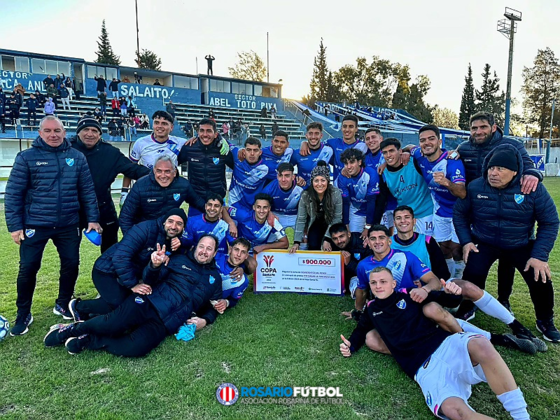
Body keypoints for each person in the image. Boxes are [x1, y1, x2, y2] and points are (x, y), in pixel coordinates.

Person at [340, 267, 531, 420]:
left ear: (393, 284)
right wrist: (350, 346)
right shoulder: (371, 310)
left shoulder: (409, 295)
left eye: (383, 281)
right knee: (455, 411)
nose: (378, 286)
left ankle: (521, 416)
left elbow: (445, 299)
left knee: (481, 344)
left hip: (444, 344)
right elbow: (359, 331)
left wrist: (454, 293)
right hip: (423, 368)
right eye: (374, 283)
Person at [44, 235, 222, 357]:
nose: (204, 251)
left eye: (209, 249)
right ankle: (69, 330)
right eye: (201, 247)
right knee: (113, 324)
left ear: (214, 253)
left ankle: (89, 340)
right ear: (195, 247)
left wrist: (205, 320)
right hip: (149, 301)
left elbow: (213, 306)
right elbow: (151, 278)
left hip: (166, 323)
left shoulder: (215, 279)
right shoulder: (178, 260)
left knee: (136, 348)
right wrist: (154, 265)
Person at [5, 116, 101, 335]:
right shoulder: (26, 157)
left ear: (64, 132)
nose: (53, 135)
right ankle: (23, 314)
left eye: (57, 130)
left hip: (68, 224)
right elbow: (13, 193)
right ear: (40, 133)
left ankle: (63, 303)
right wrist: (14, 226)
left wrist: (93, 219)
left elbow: (87, 190)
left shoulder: (76, 157)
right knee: (28, 268)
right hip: (34, 225)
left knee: (71, 264)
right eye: (48, 131)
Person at [454, 144, 560, 342]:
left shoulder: (531, 188)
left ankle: (545, 320)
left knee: (540, 277)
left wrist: (539, 256)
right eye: (491, 168)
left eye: (500, 169)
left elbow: (550, 221)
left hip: (519, 243)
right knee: (473, 272)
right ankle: (468, 308)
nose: (494, 173)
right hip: (485, 241)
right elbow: (460, 213)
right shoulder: (476, 186)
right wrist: (467, 241)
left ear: (514, 172)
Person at [454, 111, 543, 312]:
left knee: (507, 258)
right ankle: (470, 301)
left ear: (494, 127)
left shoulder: (513, 145)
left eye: (483, 127)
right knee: (472, 255)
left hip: (509, 209)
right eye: (474, 128)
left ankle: (504, 299)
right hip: (477, 207)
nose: (478, 131)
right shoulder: (464, 148)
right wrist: (409, 149)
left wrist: (532, 174)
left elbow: (529, 167)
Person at [69, 208, 187, 319]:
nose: (173, 226)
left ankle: (103, 302)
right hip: (106, 270)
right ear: (164, 222)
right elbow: (120, 258)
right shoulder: (144, 229)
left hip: (128, 273)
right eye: (170, 221)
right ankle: (78, 306)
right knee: (119, 304)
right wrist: (133, 285)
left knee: (133, 303)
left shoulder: (173, 241)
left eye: (179, 224)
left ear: (183, 228)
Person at [70, 116, 149, 252]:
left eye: (95, 130)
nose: (90, 133)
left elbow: (133, 170)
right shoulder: (65, 149)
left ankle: (108, 273)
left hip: (103, 206)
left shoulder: (110, 153)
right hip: (73, 208)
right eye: (86, 129)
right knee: (69, 255)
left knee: (110, 249)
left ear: (100, 134)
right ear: (78, 132)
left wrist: (160, 174)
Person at [408, 125, 467, 278]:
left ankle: (460, 278)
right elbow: (409, 147)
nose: (427, 143)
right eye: (423, 140)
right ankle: (448, 278)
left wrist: (447, 183)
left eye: (431, 139)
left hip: (459, 213)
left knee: (456, 249)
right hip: (440, 210)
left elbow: (462, 193)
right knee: (444, 248)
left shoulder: (452, 161)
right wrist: (404, 153)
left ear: (439, 141)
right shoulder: (419, 155)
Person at [119, 155, 206, 235]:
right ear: (154, 171)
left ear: (174, 172)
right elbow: (125, 216)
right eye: (159, 171)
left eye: (167, 171)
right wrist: (131, 239)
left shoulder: (183, 185)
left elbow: (198, 202)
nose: (163, 175)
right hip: (144, 232)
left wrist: (215, 211)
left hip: (169, 232)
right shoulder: (140, 185)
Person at [121, 111, 187, 206]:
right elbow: (130, 168)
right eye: (156, 123)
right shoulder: (141, 143)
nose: (159, 126)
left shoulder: (180, 143)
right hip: (146, 191)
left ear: (171, 127)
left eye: (164, 124)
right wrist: (124, 192)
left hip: (169, 192)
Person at [188, 238, 254, 331]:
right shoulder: (216, 257)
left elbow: (234, 300)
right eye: (236, 250)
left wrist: (226, 303)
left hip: (211, 303)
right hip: (196, 292)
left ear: (246, 256)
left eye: (243, 252)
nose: (238, 255)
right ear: (230, 249)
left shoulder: (242, 281)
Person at [375, 138, 434, 235]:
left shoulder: (414, 162)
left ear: (400, 151)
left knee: (427, 247)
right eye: (385, 152)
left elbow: (425, 151)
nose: (388, 155)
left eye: (391, 151)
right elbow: (381, 199)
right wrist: (373, 225)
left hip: (426, 214)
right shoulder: (384, 173)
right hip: (405, 217)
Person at [177, 118, 235, 216]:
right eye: (202, 131)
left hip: (217, 202)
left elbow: (236, 167)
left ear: (215, 134)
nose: (205, 134)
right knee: (194, 230)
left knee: (218, 230)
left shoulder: (222, 149)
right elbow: (173, 165)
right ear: (197, 132)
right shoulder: (189, 147)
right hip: (195, 201)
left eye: (209, 131)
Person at [290, 161, 343, 252]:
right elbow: (301, 219)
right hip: (315, 222)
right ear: (312, 182)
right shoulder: (306, 195)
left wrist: (327, 239)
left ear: (327, 181)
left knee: (332, 245)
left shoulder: (336, 193)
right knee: (314, 244)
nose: (319, 184)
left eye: (323, 180)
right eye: (316, 180)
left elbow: (337, 218)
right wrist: (296, 242)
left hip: (332, 223)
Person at [391, 205, 450, 281]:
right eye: (398, 218)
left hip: (426, 288)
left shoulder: (427, 241)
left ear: (414, 221)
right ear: (394, 223)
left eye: (407, 217)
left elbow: (442, 272)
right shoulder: (388, 243)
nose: (403, 221)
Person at [300, 115, 368, 180]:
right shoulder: (333, 143)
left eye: (351, 126)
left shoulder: (363, 146)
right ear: (341, 128)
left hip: (357, 188)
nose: (347, 129)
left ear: (356, 129)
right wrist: (304, 143)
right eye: (344, 126)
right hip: (338, 187)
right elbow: (315, 144)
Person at [335, 148, 380, 238]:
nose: (348, 166)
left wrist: (368, 226)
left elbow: (372, 201)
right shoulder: (342, 177)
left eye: (351, 162)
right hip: (356, 210)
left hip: (373, 209)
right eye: (346, 163)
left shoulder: (371, 174)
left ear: (359, 162)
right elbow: (345, 203)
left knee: (375, 237)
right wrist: (346, 225)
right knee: (354, 238)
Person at [325, 223, 371, 294]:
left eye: (341, 236)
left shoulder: (363, 243)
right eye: (335, 238)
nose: (339, 241)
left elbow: (366, 272)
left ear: (349, 234)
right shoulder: (332, 246)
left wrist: (349, 263)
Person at [227, 137, 269, 213]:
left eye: (255, 150)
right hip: (234, 204)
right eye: (249, 150)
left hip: (253, 208)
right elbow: (224, 141)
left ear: (260, 152)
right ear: (244, 150)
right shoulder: (237, 156)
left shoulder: (266, 168)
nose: (252, 153)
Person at [292, 122, 333, 188]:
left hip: (322, 191)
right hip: (304, 192)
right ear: (306, 135)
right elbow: (286, 170)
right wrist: (296, 177)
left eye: (316, 134)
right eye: (310, 134)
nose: (313, 137)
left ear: (321, 136)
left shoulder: (328, 151)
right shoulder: (298, 153)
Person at [262, 163, 304, 230]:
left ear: (293, 177)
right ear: (277, 176)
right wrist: (269, 213)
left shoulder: (301, 187)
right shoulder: (269, 189)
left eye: (287, 176)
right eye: (280, 175)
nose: (283, 179)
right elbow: (261, 203)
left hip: (296, 216)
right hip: (276, 216)